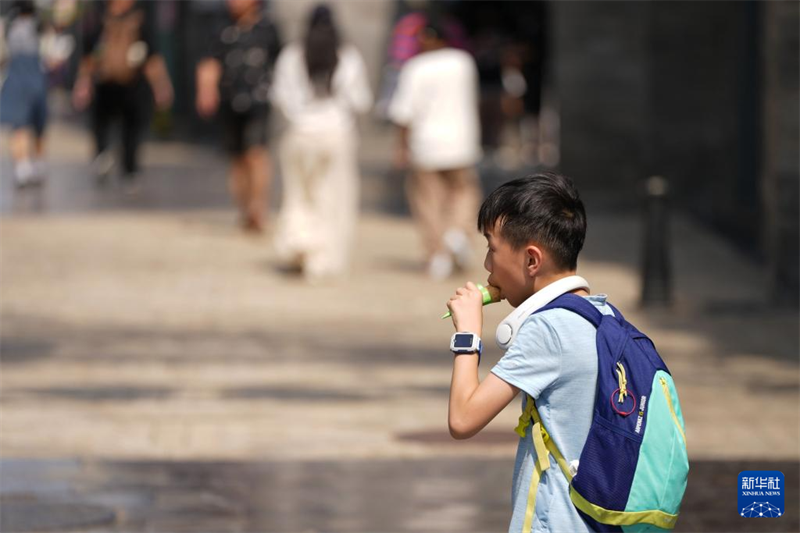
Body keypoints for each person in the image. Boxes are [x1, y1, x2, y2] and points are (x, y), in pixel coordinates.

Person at [445, 172, 602, 533]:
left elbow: (462, 419)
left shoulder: (547, 330)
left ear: (532, 260)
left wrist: (468, 335)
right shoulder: (602, 315)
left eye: (492, 249)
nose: (487, 266)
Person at [270, 4, 371, 281]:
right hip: (336, 136)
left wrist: (302, 116)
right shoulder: (348, 57)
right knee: (333, 199)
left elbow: (280, 97)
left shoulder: (291, 55)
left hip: (299, 136)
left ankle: (299, 246)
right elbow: (360, 100)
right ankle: (322, 259)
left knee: (298, 195)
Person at [388, 18, 482, 280]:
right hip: (461, 142)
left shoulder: (415, 67)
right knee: (463, 192)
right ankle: (457, 233)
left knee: (428, 201)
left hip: (426, 144)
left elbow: (403, 112)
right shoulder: (463, 62)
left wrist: (401, 146)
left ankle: (437, 253)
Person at [196, 0, 281, 233]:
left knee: (256, 153)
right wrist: (206, 90)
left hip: (258, 100)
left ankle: (258, 208)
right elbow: (209, 61)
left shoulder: (268, 27)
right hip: (229, 99)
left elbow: (280, 61)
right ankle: (244, 208)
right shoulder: (221, 26)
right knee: (237, 158)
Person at [72, 0, 173, 193]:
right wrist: (83, 82)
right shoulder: (102, 18)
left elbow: (152, 57)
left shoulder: (136, 18)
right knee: (104, 123)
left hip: (132, 85)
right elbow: (89, 56)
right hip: (107, 83)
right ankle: (109, 159)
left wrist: (160, 86)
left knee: (131, 129)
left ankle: (127, 168)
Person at [0, 0, 50, 187]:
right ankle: (35, 164)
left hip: (17, 80)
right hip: (36, 80)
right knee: (37, 126)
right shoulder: (39, 27)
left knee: (18, 127)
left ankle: (22, 167)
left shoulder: (10, 27)